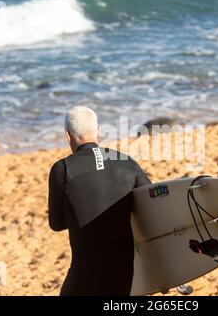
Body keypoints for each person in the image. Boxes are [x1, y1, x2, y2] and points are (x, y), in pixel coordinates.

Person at [48, 106, 151, 296]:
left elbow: (57, 223)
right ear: (98, 131)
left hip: (85, 274)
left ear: (67, 136)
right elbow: (151, 204)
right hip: (124, 272)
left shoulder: (62, 169)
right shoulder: (127, 162)